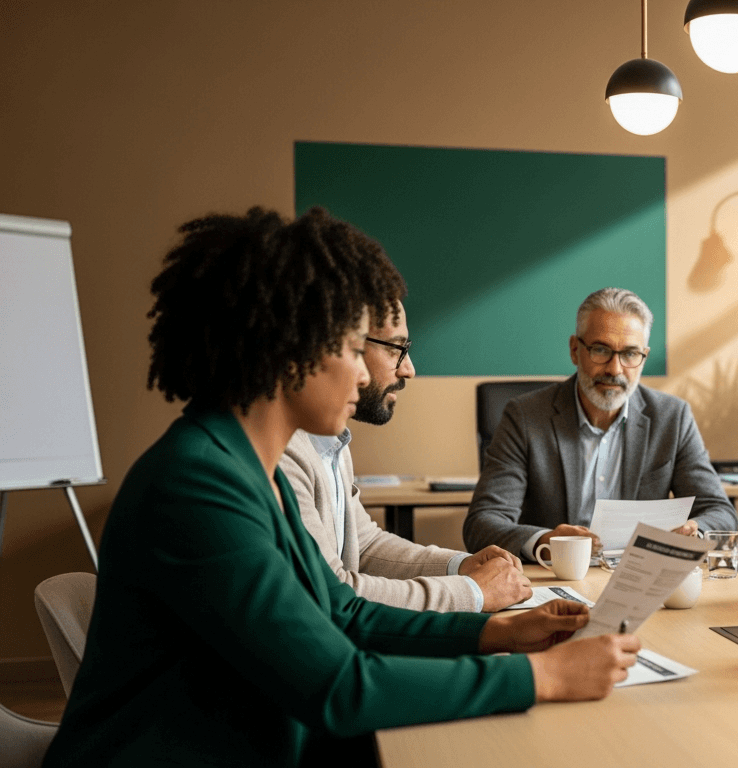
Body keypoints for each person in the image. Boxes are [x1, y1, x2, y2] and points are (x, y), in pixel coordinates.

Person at [43, 208, 639, 768]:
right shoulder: (198, 485)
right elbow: (337, 686)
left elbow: (341, 613)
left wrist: (503, 630)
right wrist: (547, 678)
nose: (366, 372)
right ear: (292, 347)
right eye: (356, 349)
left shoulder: (255, 471)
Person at [280, 296, 532, 612]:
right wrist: (472, 592)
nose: (410, 369)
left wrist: (461, 565)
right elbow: (336, 595)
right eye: (395, 349)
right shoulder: (282, 452)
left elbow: (366, 545)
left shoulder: (331, 441)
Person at [463, 287, 737, 557]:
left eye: (630, 354)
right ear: (574, 350)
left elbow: (720, 512)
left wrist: (694, 530)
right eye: (600, 350)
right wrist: (546, 541)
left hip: (639, 578)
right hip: (556, 579)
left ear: (643, 358)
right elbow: (482, 524)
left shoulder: (672, 418)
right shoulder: (525, 417)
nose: (614, 369)